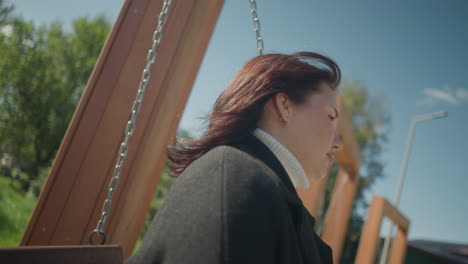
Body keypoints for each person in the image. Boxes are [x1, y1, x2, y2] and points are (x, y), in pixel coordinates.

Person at [126, 51, 343, 264]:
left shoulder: (258, 186)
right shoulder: (235, 177)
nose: (338, 143)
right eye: (331, 116)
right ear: (285, 106)